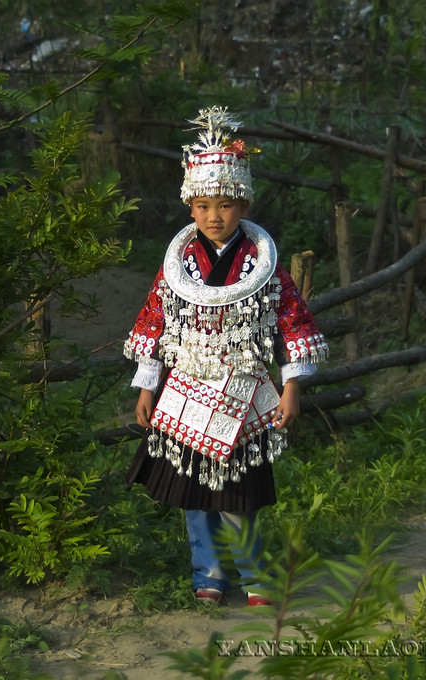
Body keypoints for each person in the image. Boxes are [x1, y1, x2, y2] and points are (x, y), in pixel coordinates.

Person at [123, 106, 328, 606]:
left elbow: (293, 323)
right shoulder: (177, 264)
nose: (214, 216)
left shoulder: (265, 264)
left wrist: (292, 386)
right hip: (186, 388)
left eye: (225, 205)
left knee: (239, 495)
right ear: (189, 207)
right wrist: (149, 386)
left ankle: (254, 576)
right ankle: (208, 574)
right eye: (202, 206)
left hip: (246, 391)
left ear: (245, 203)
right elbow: (155, 320)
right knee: (194, 497)